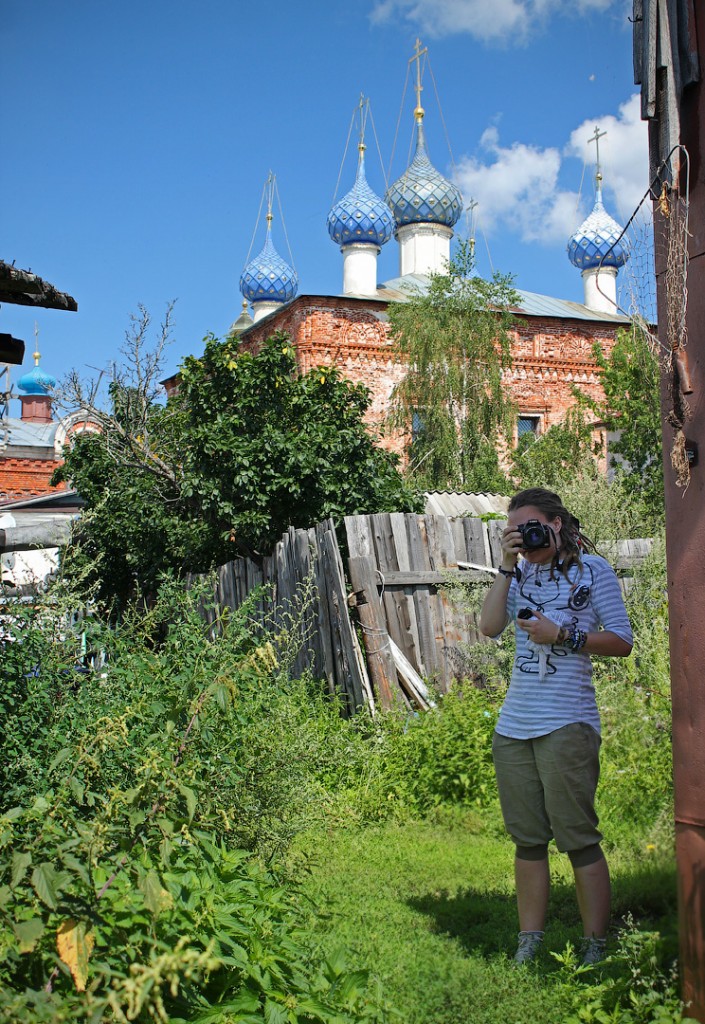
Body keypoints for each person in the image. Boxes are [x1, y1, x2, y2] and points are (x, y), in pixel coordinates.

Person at [479, 487, 633, 967]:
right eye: (516, 530)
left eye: (532, 526)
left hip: (567, 723)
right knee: (527, 840)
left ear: (557, 523)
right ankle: (530, 941)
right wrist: (506, 567)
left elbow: (623, 641)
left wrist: (562, 633)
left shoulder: (594, 571)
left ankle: (594, 946)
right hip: (515, 725)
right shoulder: (519, 573)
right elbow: (488, 627)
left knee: (578, 838)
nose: (525, 536)